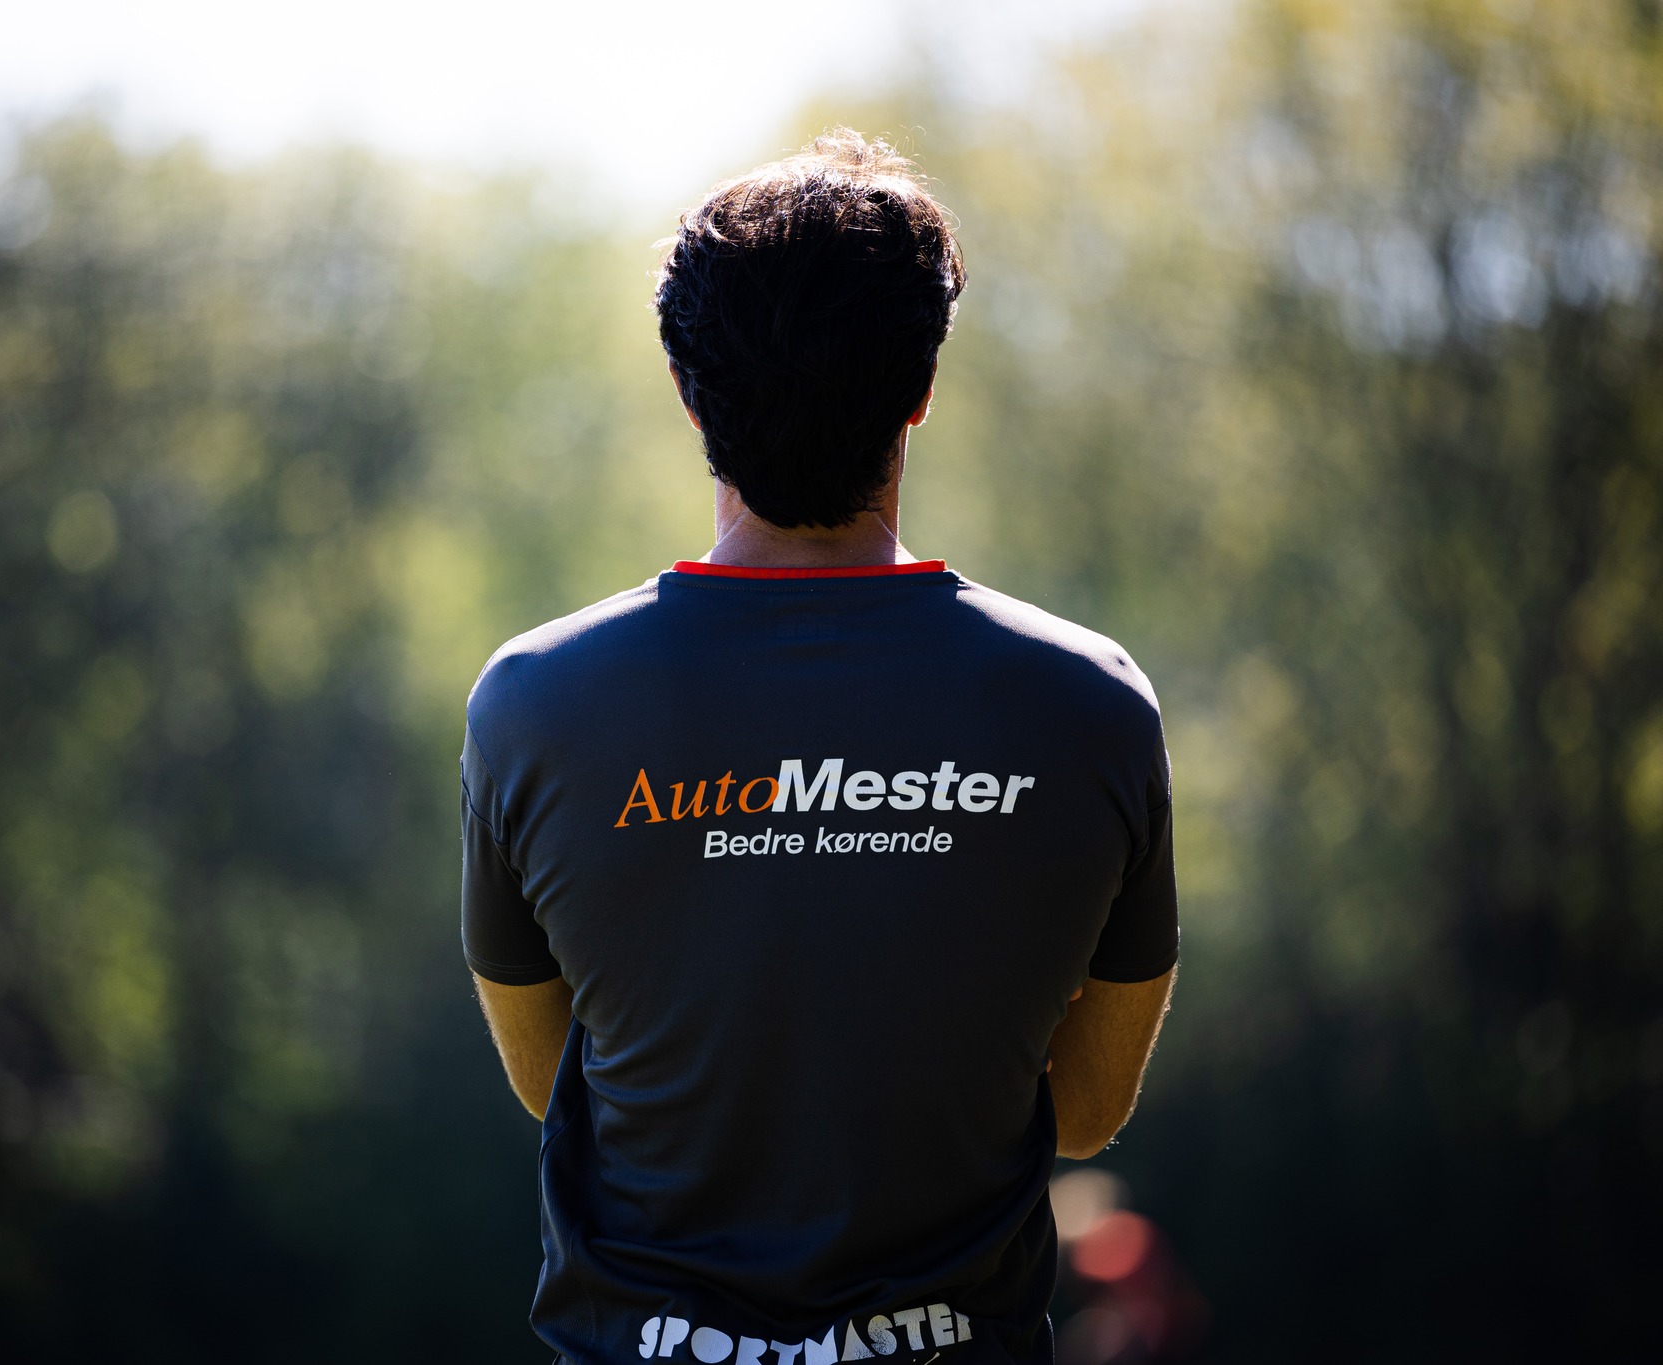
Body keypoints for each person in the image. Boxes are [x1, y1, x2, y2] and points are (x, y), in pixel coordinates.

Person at [461, 130, 1178, 1365]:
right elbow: (1082, 1112)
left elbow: (554, 1081)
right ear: (920, 387)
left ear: (688, 390)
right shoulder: (1090, 703)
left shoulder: (532, 702)